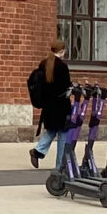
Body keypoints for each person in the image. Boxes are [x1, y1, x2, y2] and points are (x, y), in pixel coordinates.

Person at [27, 40, 76, 169]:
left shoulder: (44, 63)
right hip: (61, 105)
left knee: (52, 130)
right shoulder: (62, 67)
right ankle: (60, 165)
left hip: (48, 106)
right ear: (62, 51)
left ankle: (38, 151)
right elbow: (65, 86)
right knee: (63, 134)